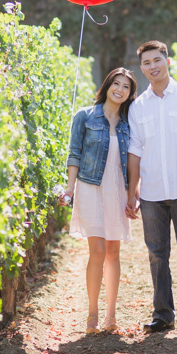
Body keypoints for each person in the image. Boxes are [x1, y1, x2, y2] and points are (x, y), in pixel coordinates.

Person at [125, 40, 177, 333]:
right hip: (151, 194)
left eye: (156, 60)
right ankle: (163, 314)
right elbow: (134, 152)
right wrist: (132, 191)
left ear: (167, 61)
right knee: (157, 255)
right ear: (142, 68)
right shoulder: (137, 108)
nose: (152, 66)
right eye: (146, 63)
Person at [61, 68, 138, 334]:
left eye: (126, 86)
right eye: (116, 84)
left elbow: (134, 163)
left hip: (117, 189)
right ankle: (92, 314)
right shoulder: (84, 116)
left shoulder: (130, 123)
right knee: (97, 252)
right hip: (90, 188)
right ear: (107, 86)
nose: (120, 89)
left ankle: (111, 316)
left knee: (114, 252)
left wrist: (133, 195)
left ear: (130, 93)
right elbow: (74, 154)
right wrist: (69, 190)